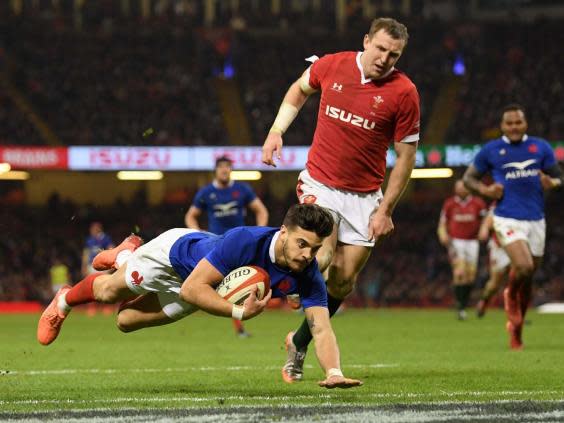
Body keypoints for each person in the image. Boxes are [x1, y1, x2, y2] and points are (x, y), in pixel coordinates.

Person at [37, 204, 362, 389]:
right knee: (108, 291)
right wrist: (238, 314)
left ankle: (124, 257)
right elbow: (195, 288)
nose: (307, 255)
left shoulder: (307, 273)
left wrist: (333, 373)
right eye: (302, 244)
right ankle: (65, 300)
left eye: (315, 249)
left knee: (125, 321)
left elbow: (320, 327)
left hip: (198, 287)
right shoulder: (245, 242)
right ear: (283, 233)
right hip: (173, 256)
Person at [262, 17, 420, 383]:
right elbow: (298, 90)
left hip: (365, 196)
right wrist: (276, 131)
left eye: (393, 55)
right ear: (366, 41)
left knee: (343, 283)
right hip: (321, 182)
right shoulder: (332, 65)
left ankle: (298, 341)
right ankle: (285, 280)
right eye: (380, 48)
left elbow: (406, 158)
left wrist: (386, 210)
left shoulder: (404, 93)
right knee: (324, 254)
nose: (384, 59)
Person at [463, 103, 562, 349]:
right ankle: (509, 295)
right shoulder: (492, 150)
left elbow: (559, 177)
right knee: (524, 266)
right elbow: (468, 179)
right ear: (502, 126)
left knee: (527, 278)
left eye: (518, 122)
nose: (514, 127)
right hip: (507, 217)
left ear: (525, 124)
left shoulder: (540, 147)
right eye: (509, 123)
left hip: (536, 219)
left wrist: (553, 183)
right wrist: (486, 190)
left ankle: (516, 330)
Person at [185, 155, 269, 337]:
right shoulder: (206, 192)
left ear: (231, 169)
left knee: (238, 285)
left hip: (239, 246)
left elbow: (261, 210)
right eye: (221, 166)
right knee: (202, 282)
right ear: (215, 170)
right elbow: (190, 215)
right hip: (215, 244)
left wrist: (259, 231)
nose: (224, 170)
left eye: (227, 166)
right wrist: (199, 233)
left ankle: (239, 326)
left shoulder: (242, 189)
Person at [437, 180, 487, 320]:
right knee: (459, 272)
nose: (460, 190)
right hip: (456, 241)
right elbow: (442, 223)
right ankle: (459, 306)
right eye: (457, 187)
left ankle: (463, 305)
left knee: (470, 276)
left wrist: (484, 230)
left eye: (462, 187)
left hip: (472, 242)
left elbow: (485, 220)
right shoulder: (450, 204)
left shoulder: (478, 203)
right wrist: (443, 234)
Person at [475, 205, 511, 318]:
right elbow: (488, 221)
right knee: (495, 283)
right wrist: (484, 228)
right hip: (499, 248)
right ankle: (484, 301)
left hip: (516, 248)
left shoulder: (524, 202)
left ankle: (515, 313)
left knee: (517, 279)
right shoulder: (499, 204)